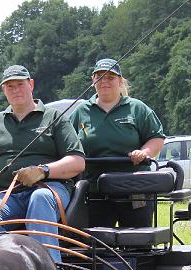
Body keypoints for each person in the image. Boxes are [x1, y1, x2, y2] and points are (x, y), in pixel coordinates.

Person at [0, 65, 85, 262]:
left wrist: (43, 171)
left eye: (20, 84)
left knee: (39, 198)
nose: (15, 90)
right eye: (10, 86)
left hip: (49, 189)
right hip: (6, 195)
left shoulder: (54, 117)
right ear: (4, 90)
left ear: (31, 85)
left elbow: (77, 161)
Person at [69, 59, 166, 227]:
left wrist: (144, 152)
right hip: (94, 191)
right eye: (99, 77)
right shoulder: (80, 112)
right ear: (93, 81)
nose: (104, 81)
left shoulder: (137, 108)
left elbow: (156, 138)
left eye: (110, 77)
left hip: (134, 189)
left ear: (120, 81)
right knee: (96, 244)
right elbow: (67, 144)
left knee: (137, 242)